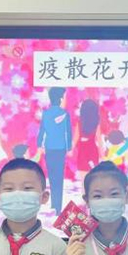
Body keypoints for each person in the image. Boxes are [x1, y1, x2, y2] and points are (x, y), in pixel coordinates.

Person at [37, 87, 72, 215]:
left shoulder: (46, 114)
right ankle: (58, 207)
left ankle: (53, 204)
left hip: (49, 148)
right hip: (61, 148)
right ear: (60, 99)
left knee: (52, 177)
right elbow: (68, 132)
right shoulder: (65, 114)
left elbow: (42, 131)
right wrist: (69, 148)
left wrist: (39, 144)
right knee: (59, 177)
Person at [76, 99, 101, 179]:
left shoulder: (79, 123)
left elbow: (75, 138)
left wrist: (70, 150)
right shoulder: (96, 123)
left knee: (83, 178)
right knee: (93, 178)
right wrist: (102, 154)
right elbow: (99, 140)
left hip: (82, 151)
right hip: (93, 150)